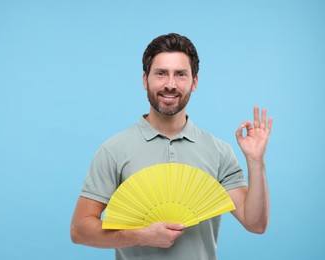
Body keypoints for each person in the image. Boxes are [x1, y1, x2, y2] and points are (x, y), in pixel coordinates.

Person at [70, 33, 273, 259]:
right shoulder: (114, 150)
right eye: (160, 73)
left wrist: (256, 162)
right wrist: (141, 236)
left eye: (180, 75)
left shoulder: (219, 151)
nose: (170, 84)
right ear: (144, 79)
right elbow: (80, 230)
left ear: (194, 82)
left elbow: (255, 224)